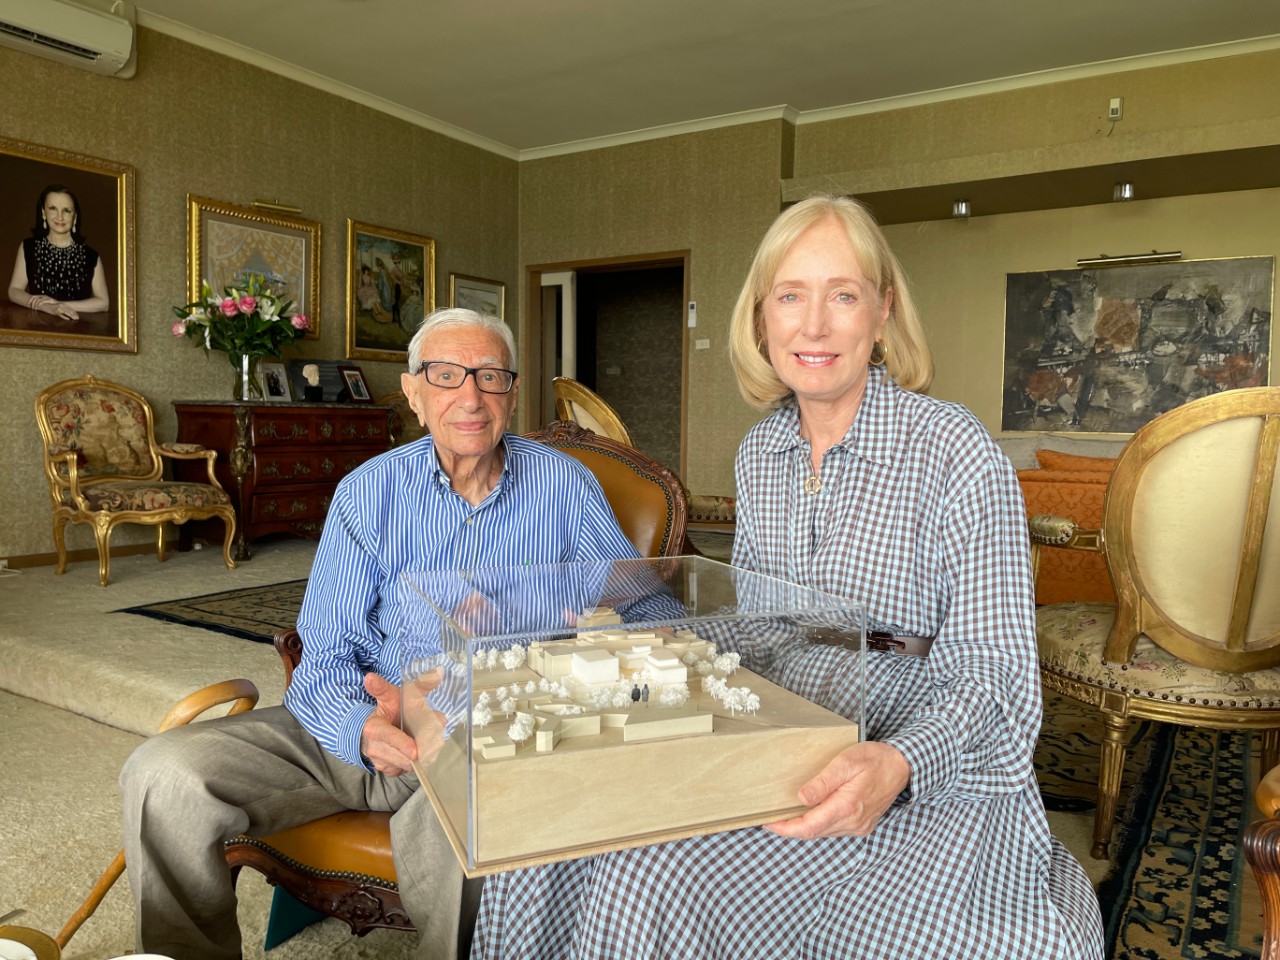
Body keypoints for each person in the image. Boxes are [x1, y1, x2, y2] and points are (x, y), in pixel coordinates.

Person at [471, 196, 1104, 959]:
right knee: (563, 825)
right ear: (762, 319)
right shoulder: (760, 453)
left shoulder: (955, 450)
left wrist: (901, 763)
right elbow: (759, 630)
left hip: (924, 759)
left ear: (883, 313)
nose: (815, 325)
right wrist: (635, 632)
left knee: (646, 875)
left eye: (844, 295)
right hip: (782, 733)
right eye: (791, 296)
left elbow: (998, 675)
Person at [119, 307, 644, 960]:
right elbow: (324, 651)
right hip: (364, 721)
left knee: (478, 826)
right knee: (163, 774)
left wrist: (552, 613)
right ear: (414, 393)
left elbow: (645, 604)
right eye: (446, 376)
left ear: (512, 392)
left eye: (490, 377)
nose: (471, 398)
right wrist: (361, 727)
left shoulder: (566, 486)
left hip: (485, 732)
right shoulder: (368, 492)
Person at [7, 184, 110, 320]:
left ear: (75, 217)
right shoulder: (28, 247)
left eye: (66, 210)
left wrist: (59, 305)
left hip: (79, 327)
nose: (60, 216)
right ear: (43, 213)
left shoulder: (91, 256)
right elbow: (14, 290)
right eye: (53, 208)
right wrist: (44, 306)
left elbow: (103, 303)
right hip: (36, 327)